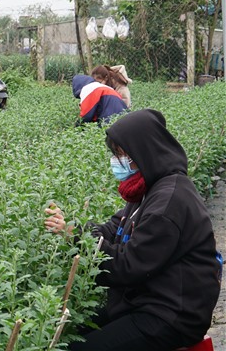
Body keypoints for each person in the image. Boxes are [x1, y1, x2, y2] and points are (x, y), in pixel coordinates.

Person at [44, 109, 220, 350]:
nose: (117, 161)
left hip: (171, 315)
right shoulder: (149, 189)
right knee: (74, 329)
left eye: (121, 154)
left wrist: (77, 240)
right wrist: (73, 229)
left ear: (143, 152)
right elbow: (112, 229)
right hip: (146, 301)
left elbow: (128, 267)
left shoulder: (168, 202)